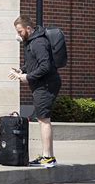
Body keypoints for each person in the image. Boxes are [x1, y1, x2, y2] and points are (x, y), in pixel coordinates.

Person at [9, 15, 61, 168]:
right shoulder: (31, 42)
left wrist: (27, 77)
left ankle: (48, 157)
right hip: (42, 85)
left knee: (44, 119)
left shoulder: (38, 42)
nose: (18, 35)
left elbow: (45, 66)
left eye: (20, 31)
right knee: (42, 119)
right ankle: (48, 156)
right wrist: (21, 70)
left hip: (46, 86)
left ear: (29, 29)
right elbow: (33, 62)